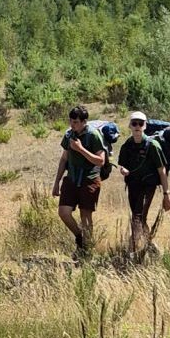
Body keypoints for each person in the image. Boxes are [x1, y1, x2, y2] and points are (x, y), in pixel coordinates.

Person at [51, 105, 107, 256]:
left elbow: (101, 161)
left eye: (75, 122)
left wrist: (81, 149)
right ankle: (80, 238)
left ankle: (86, 251)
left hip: (90, 179)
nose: (72, 124)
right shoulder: (69, 135)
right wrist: (56, 183)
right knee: (63, 212)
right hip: (71, 179)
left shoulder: (94, 135)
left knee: (85, 216)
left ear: (84, 122)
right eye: (70, 121)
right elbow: (64, 159)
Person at [115, 111, 170, 255]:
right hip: (133, 186)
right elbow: (121, 165)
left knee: (137, 217)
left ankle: (132, 250)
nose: (137, 126)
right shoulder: (127, 145)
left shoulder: (152, 145)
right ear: (130, 125)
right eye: (134, 123)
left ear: (145, 126)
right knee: (139, 217)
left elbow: (161, 171)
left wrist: (166, 194)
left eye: (141, 123)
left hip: (148, 186)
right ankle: (151, 246)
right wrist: (123, 170)